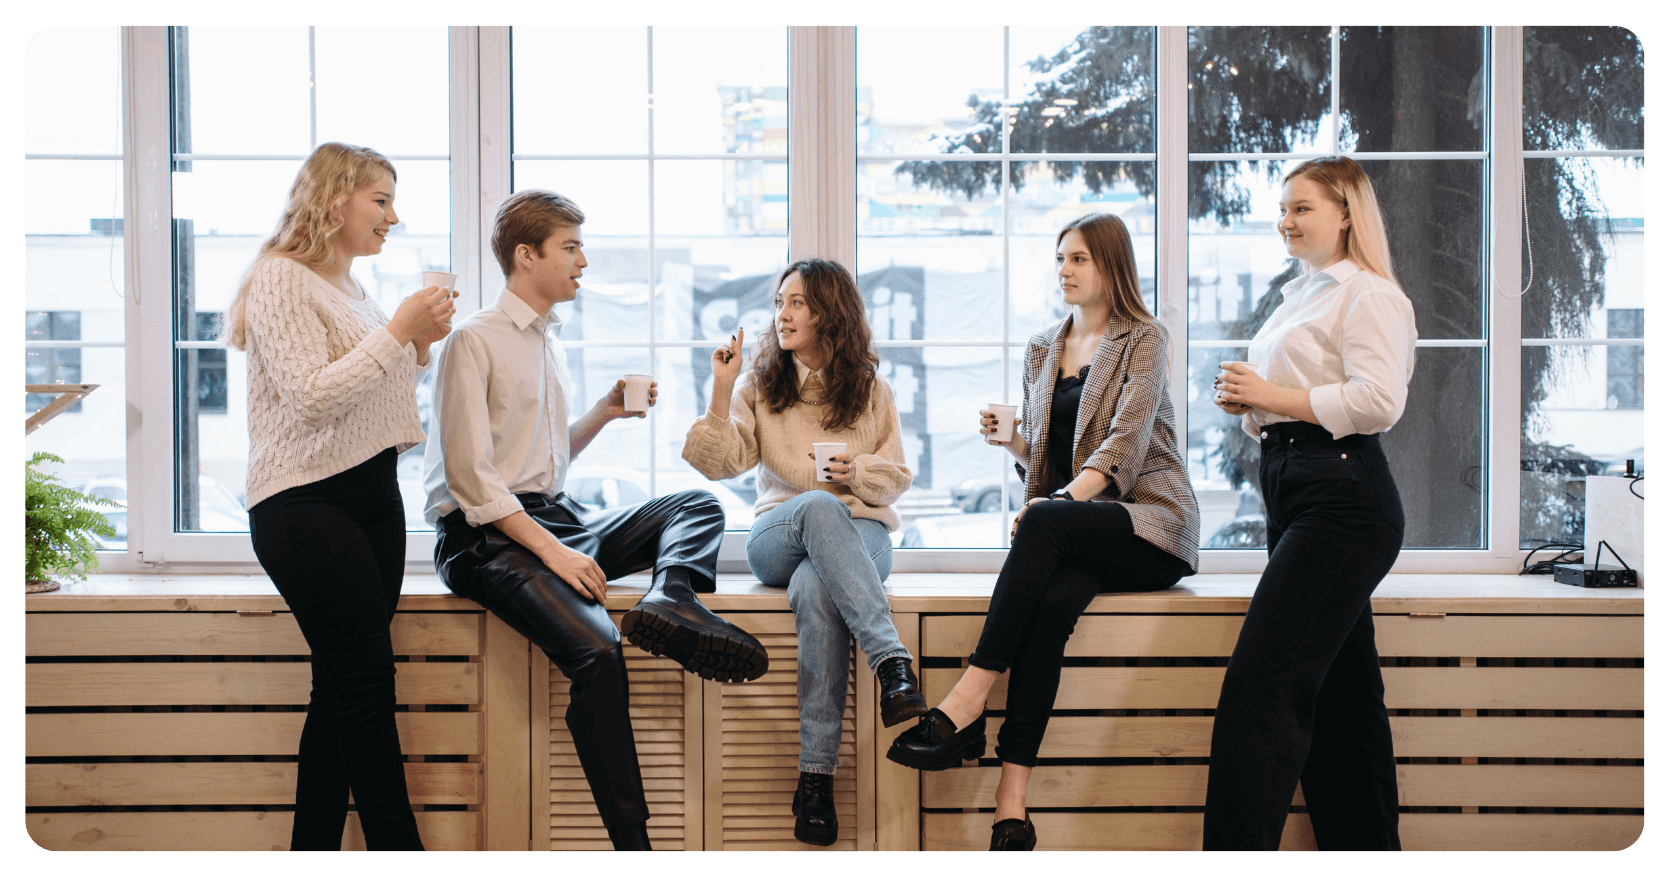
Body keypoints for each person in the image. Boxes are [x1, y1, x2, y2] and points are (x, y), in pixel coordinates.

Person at [424, 189, 769, 852]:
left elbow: (539, 464)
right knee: (599, 652)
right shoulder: (472, 341)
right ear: (527, 256)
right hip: (485, 538)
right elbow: (473, 480)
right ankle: (631, 841)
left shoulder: (547, 342)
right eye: (571, 247)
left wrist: (604, 413)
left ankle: (672, 596)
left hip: (551, 515)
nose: (584, 261)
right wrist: (557, 554)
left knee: (695, 505)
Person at [886, 213, 1200, 852]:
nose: (1065, 270)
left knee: (1050, 522)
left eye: (1079, 258)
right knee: (1052, 607)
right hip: (1078, 525)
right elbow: (1052, 465)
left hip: (1150, 524)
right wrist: (1019, 445)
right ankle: (1012, 808)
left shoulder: (1144, 338)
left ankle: (967, 701)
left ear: (1111, 265)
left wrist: (1054, 504)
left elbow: (1124, 448)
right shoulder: (1042, 348)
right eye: (1061, 258)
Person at [229, 142, 458, 851]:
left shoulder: (353, 290)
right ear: (335, 201)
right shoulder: (281, 279)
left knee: (338, 689)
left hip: (368, 497)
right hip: (305, 504)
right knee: (363, 684)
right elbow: (312, 398)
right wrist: (399, 334)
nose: (394, 216)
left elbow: (371, 398)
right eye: (381, 200)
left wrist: (415, 347)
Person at [1204, 156, 1415, 851]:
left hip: (1344, 496)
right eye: (1283, 209)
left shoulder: (1369, 294)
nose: (1284, 221)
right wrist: (1250, 404)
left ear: (1347, 212)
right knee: (1341, 699)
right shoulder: (1302, 296)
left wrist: (1266, 395)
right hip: (1297, 486)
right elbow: (1291, 403)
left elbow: (1378, 401)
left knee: (1259, 688)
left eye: (1302, 208)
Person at [683, 258, 924, 847]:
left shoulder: (872, 389)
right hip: (779, 534)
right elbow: (722, 463)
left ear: (829, 313)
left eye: (797, 303)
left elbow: (895, 478)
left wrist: (857, 469)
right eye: (780, 303)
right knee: (818, 506)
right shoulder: (760, 384)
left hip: (861, 534)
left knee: (819, 587)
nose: (782, 315)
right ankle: (892, 661)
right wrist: (720, 386)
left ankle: (814, 780)